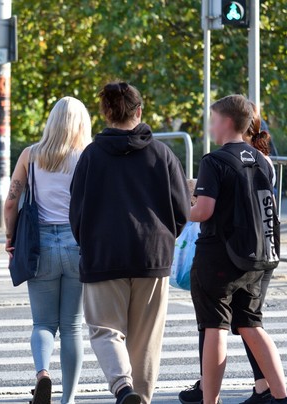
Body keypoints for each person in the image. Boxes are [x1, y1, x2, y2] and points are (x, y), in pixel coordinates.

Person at [69, 82, 190, 404]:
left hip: (103, 254)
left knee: (104, 329)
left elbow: (76, 209)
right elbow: (181, 209)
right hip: (152, 255)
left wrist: (89, 240)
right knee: (146, 342)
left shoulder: (92, 155)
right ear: (139, 111)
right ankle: (141, 399)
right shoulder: (162, 153)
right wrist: (164, 238)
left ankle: (123, 387)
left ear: (105, 113)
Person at [188, 95, 287, 404]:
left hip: (219, 256)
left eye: (213, 119)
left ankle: (211, 400)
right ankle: (281, 396)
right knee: (251, 325)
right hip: (258, 257)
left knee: (215, 326)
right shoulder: (263, 159)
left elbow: (204, 211)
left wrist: (180, 207)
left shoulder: (214, 160)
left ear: (226, 122)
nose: (210, 125)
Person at [4, 96, 91, 404]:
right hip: (77, 245)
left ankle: (42, 375)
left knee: (42, 323)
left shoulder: (31, 155)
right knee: (71, 327)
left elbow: (12, 200)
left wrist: (10, 236)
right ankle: (68, 399)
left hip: (39, 246)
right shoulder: (85, 157)